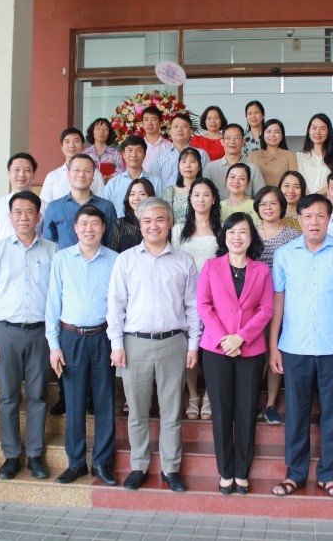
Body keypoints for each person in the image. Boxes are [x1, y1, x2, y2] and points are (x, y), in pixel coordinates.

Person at [269, 194, 333, 499]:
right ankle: (294, 474)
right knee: (296, 413)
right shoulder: (285, 255)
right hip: (295, 346)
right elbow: (278, 301)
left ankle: (330, 475)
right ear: (299, 219)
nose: (314, 222)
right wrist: (274, 346)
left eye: (320, 216)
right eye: (308, 216)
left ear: (329, 219)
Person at [107, 197, 202, 493]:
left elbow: (193, 306)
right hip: (135, 344)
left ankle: (171, 468)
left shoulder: (184, 260)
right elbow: (115, 306)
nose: (153, 226)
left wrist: (193, 345)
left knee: (171, 411)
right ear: (139, 224)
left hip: (174, 342)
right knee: (137, 410)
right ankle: (139, 465)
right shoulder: (125, 260)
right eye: (147, 221)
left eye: (160, 219)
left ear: (170, 223)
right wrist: (116, 344)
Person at [0, 190, 58, 481]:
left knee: (37, 396)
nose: (23, 217)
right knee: (8, 397)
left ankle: (35, 455)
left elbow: (57, 297)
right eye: (17, 212)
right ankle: (11, 456)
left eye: (29, 212)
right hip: (6, 332)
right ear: (10, 218)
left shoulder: (52, 251)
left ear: (38, 217)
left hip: (40, 333)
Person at [198, 213, 274, 495]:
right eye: (231, 232)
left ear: (251, 237)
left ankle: (242, 471)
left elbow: (266, 309)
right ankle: (225, 471)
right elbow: (204, 305)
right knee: (221, 412)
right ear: (224, 237)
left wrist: (241, 337)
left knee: (246, 411)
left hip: (250, 349)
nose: (237, 237)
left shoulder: (262, 271)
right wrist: (224, 338)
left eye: (243, 232)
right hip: (216, 349)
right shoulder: (211, 266)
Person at [45, 204, 119, 486]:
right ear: (75, 228)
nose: (89, 229)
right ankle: (75, 463)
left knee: (104, 401)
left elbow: (118, 304)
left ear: (103, 228)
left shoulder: (115, 260)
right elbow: (53, 302)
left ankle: (102, 462)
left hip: (103, 337)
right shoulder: (62, 259)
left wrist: (117, 342)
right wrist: (54, 345)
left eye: (95, 224)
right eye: (84, 224)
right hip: (70, 338)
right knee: (74, 401)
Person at [171, 178, 222, 421]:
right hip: (186, 297)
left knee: (212, 349)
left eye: (206, 194)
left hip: (216, 298)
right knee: (189, 347)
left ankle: (210, 394)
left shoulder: (222, 229)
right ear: (189, 199)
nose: (201, 199)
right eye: (196, 194)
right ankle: (192, 394)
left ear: (214, 199)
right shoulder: (177, 230)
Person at [253, 186, 300, 425]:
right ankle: (252, 401)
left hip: (283, 302)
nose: (268, 208)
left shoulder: (293, 234)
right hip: (253, 303)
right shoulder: (250, 232)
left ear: (282, 206)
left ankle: (271, 403)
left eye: (272, 203)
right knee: (255, 354)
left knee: (275, 351)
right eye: (262, 204)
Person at [42, 154, 116, 248]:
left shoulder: (106, 206)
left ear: (93, 176)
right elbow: (48, 244)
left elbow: (112, 243)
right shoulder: (54, 207)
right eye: (77, 170)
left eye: (87, 171)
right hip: (64, 257)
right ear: (68, 174)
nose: (81, 175)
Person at [0, 152, 46, 254]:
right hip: (4, 260)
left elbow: (47, 239)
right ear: (8, 174)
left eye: (27, 170)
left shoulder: (45, 206)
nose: (21, 174)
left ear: (33, 175)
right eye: (16, 170)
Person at [102, 135, 164, 218]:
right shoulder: (113, 184)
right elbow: (105, 212)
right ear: (123, 154)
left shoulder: (157, 183)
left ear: (145, 155)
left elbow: (163, 211)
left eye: (138, 150)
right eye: (129, 150)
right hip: (119, 226)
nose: (133, 155)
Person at [40, 128, 105, 203]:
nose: (71, 145)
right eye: (67, 142)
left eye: (76, 141)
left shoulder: (95, 174)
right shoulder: (52, 176)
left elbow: (101, 203)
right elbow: (45, 206)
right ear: (62, 148)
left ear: (83, 147)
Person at [204, 123, 266, 201]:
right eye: (228, 137)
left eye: (236, 137)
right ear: (222, 141)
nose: (232, 141)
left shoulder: (253, 169)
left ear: (243, 142)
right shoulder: (210, 168)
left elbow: (261, 197)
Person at [151, 113, 210, 189]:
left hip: (194, 196)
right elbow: (153, 183)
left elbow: (206, 182)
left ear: (191, 131)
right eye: (176, 126)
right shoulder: (159, 155)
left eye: (184, 126)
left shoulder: (202, 154)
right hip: (165, 196)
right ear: (170, 131)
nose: (179, 130)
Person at [296, 113, 333, 194]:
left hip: (330, 200)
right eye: (314, 128)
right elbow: (299, 183)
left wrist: (317, 195)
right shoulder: (300, 156)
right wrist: (310, 199)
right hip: (306, 201)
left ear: (328, 132)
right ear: (309, 131)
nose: (317, 132)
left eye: (323, 129)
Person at [110, 178, 155, 253]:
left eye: (142, 194)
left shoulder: (155, 224)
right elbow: (113, 253)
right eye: (132, 194)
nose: (136, 198)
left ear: (151, 197)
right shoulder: (119, 224)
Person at [248, 118, 298, 186]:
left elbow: (294, 181)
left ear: (282, 136)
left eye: (277, 132)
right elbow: (248, 182)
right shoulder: (253, 155)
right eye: (269, 132)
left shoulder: (290, 155)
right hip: (259, 193)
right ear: (263, 135)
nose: (272, 135)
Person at [160, 146, 203, 224]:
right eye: (184, 161)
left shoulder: (206, 190)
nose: (187, 165)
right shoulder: (170, 191)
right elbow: (165, 219)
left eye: (192, 161)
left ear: (199, 167)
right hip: (176, 231)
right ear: (179, 166)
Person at [140, 105, 173, 171]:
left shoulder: (169, 146)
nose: (149, 123)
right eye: (146, 120)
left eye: (153, 119)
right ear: (142, 123)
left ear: (160, 123)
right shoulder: (138, 146)